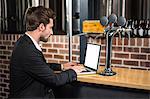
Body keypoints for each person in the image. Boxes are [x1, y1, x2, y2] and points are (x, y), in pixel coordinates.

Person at [9, 6, 84, 98]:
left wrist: (62, 66)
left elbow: (39, 66)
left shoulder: (25, 42)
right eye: (50, 27)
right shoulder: (28, 50)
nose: (52, 32)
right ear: (41, 27)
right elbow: (54, 80)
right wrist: (74, 72)